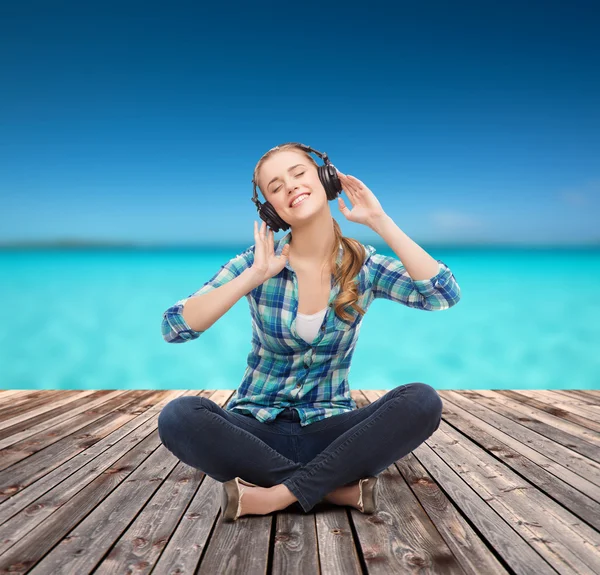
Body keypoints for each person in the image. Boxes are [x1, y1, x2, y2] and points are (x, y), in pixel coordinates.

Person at [158, 142, 461, 521]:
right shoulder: (256, 263)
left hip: (331, 430)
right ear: (270, 208)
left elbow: (442, 295)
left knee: (422, 401)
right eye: (275, 186)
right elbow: (174, 327)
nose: (290, 187)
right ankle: (331, 488)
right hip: (254, 429)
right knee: (178, 416)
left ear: (325, 179)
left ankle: (274, 495)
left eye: (299, 174)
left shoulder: (365, 265)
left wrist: (380, 221)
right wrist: (251, 278)